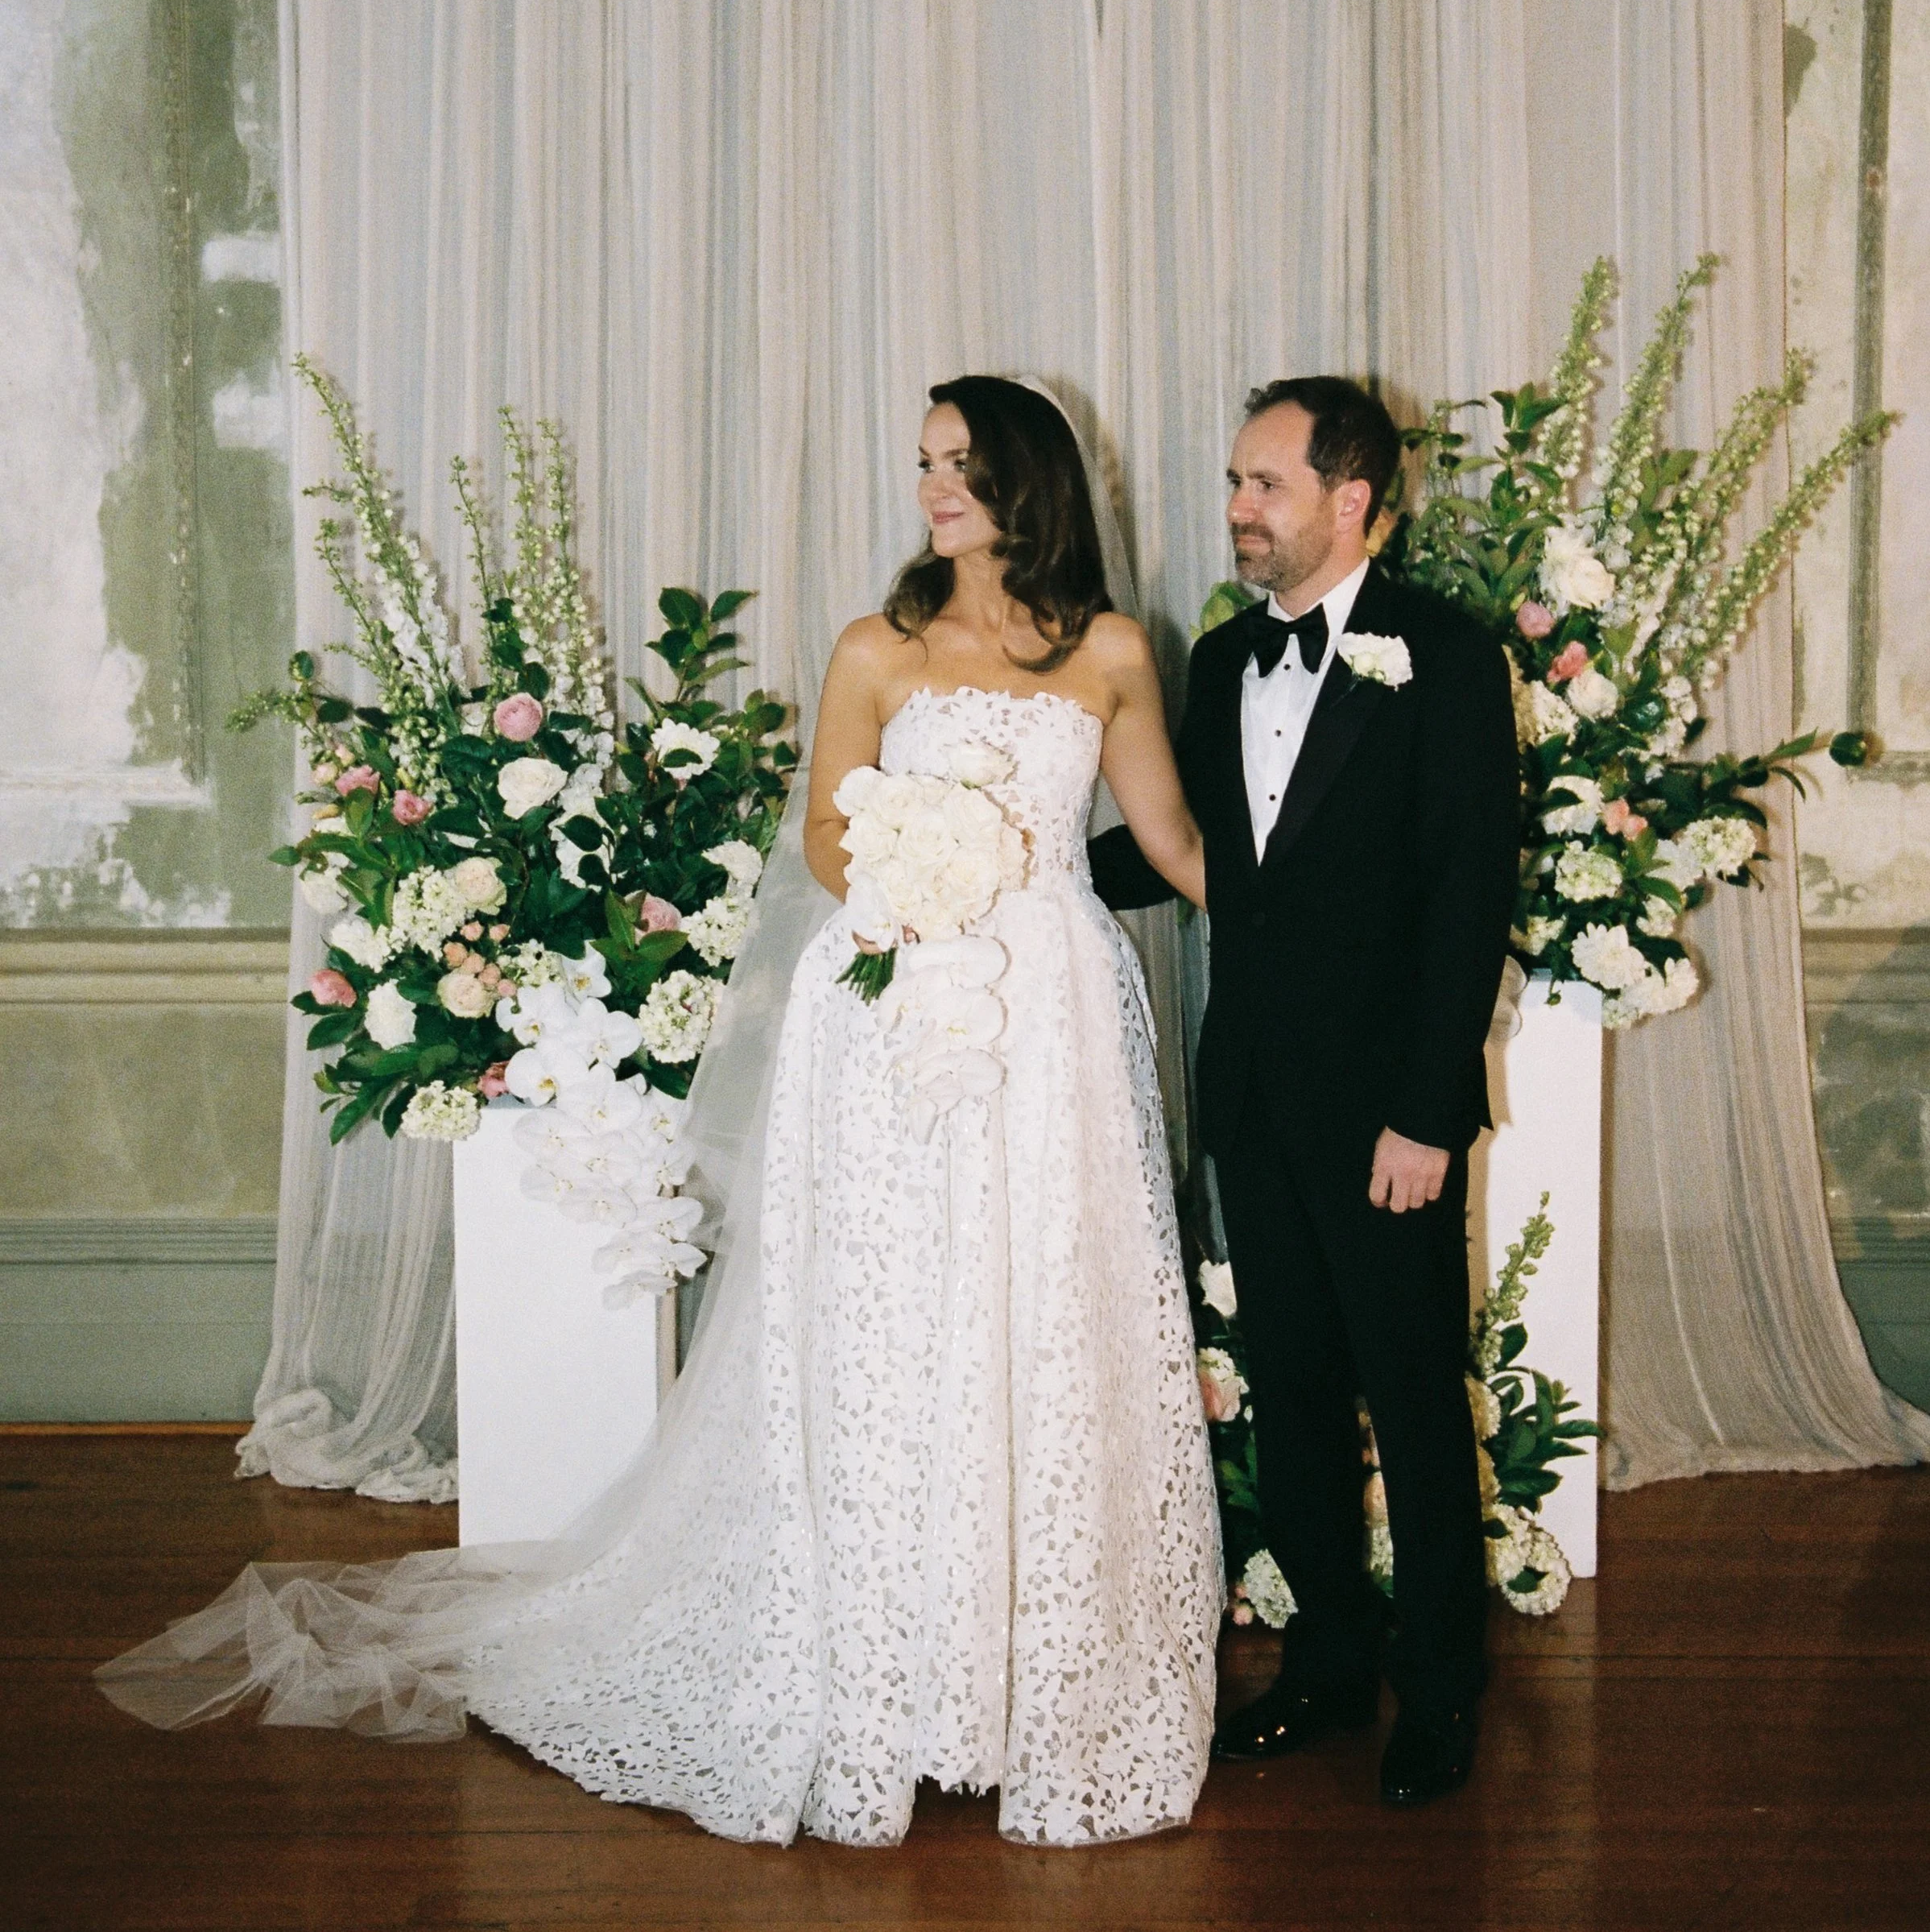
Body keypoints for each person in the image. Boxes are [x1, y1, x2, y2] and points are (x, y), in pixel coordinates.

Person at [101, 375, 1224, 1851]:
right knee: (890, 1327)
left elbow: (1177, 844)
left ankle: (1032, 1686)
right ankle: (882, 1680)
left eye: (960, 465)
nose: (934, 490)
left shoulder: (1116, 653)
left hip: (1056, 1027)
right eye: (926, 465)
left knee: (1042, 1323)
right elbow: (828, 833)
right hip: (892, 1006)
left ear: (1030, 479)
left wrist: (1340, 930)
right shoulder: (877, 648)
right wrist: (919, 874)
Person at [1089, 376, 1519, 1809]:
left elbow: (1469, 902)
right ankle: (1332, 1659)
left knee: (1410, 1396)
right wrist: (1015, 867)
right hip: (1255, 1100)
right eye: (1233, 479)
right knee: (1291, 1387)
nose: (1235, 509)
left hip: (1385, 1114)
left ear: (1352, 498)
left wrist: (1427, 1113)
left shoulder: (1446, 658)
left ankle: (1443, 1686)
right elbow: (1181, 848)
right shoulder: (1221, 662)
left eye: (1262, 483)